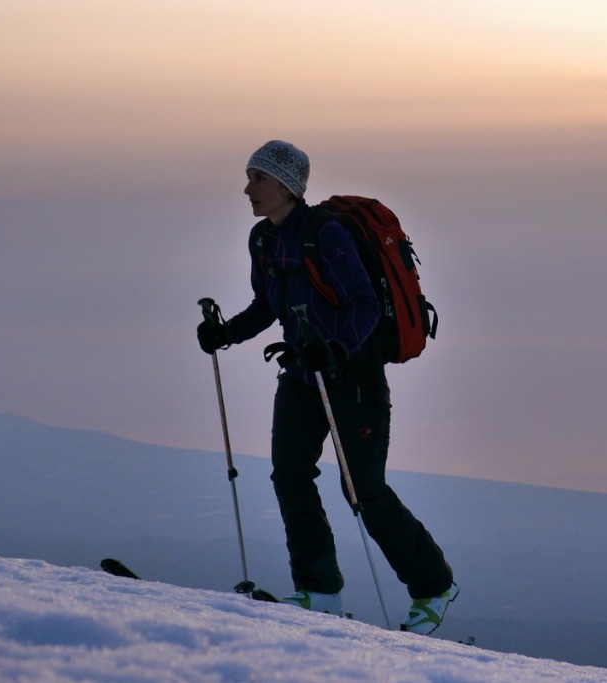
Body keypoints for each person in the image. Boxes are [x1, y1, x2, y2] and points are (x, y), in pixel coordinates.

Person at [196, 140, 457, 634]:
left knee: (363, 491)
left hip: (352, 379)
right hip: (300, 376)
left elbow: (363, 304)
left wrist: (335, 350)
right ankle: (319, 590)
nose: (248, 188)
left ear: (287, 186)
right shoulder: (262, 240)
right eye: (250, 176)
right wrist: (225, 333)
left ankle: (434, 586)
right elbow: (267, 305)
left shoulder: (327, 234)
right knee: (289, 475)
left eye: (259, 178)